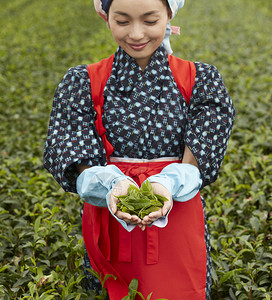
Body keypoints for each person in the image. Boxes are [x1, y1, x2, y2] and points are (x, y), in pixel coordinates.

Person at [43, 0, 235, 298]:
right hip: (110, 212)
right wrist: (112, 184)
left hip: (177, 215)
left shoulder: (200, 80)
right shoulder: (82, 82)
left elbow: (198, 159)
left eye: (149, 20)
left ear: (169, 15)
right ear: (105, 17)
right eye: (122, 21)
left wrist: (166, 183)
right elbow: (73, 152)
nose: (135, 34)